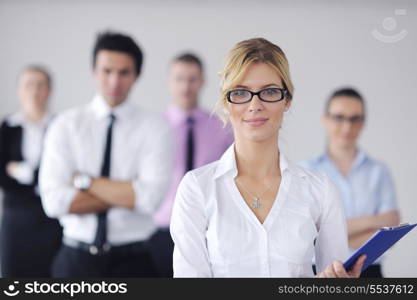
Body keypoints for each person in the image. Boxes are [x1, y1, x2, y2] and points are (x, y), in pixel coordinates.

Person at [170, 37, 366, 278]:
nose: (255, 104)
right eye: (241, 92)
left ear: (287, 100)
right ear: (225, 102)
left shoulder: (321, 191)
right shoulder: (196, 189)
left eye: (270, 91)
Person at [39, 32, 173, 277]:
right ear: (94, 71)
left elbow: (149, 199)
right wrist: (127, 192)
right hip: (75, 260)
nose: (114, 82)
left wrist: (85, 182)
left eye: (124, 72)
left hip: (135, 262)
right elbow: (53, 201)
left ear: (136, 76)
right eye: (107, 71)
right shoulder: (65, 125)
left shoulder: (156, 127)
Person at [301, 87, 400, 277]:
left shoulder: (379, 171)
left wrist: (331, 233)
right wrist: (374, 222)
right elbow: (308, 235)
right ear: (325, 120)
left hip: (370, 273)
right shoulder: (305, 173)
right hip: (322, 274)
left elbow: (390, 235)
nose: (347, 127)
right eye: (339, 117)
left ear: (363, 123)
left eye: (355, 119)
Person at [150, 53, 233, 277]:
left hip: (206, 230)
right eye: (179, 78)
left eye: (192, 79)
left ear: (202, 81)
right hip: (160, 230)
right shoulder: (154, 129)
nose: (186, 86)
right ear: (169, 81)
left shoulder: (222, 127)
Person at [0, 65, 62, 277]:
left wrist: (22, 171)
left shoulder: (60, 126)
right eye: (29, 85)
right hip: (16, 217)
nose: (34, 91)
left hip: (52, 218)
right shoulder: (7, 127)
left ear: (49, 90)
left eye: (40, 85)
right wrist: (40, 176)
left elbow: (62, 172)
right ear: (20, 90)